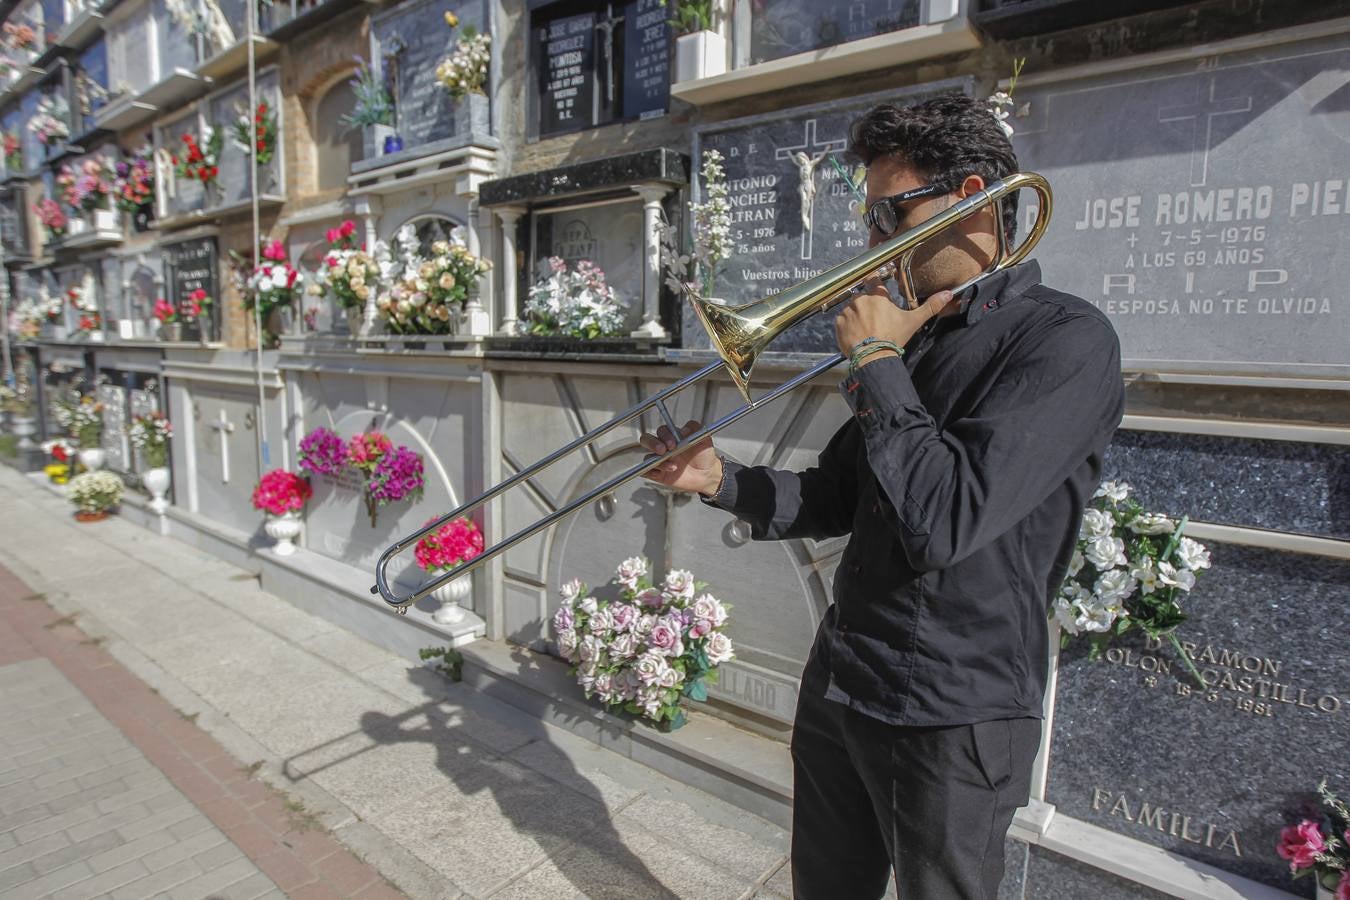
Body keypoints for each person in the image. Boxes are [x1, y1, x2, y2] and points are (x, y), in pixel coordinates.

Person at [640, 94, 1125, 899]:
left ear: (971, 197)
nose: (871, 243)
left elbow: (944, 521)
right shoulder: (915, 340)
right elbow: (837, 497)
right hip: (845, 678)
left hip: (951, 711)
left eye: (887, 215)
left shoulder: (1066, 340)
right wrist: (716, 478)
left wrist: (876, 361)